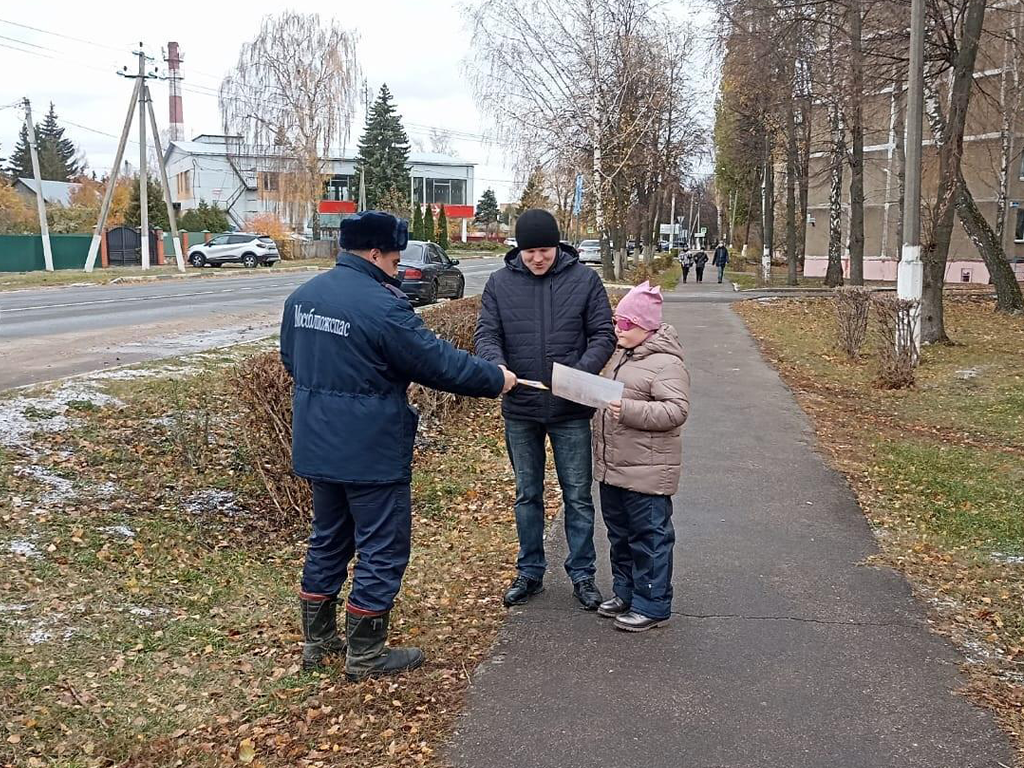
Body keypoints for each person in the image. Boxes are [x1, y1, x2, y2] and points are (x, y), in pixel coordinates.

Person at [281, 210, 517, 681]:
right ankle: (366, 655)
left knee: (328, 538)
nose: (396, 265)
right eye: (393, 256)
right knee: (382, 547)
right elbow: (437, 362)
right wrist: (496, 378)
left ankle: (318, 642)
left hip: (318, 443)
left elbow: (292, 360)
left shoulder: (302, 298)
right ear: (374, 252)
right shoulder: (382, 305)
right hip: (370, 449)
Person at [475, 209, 616, 611]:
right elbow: (487, 333)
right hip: (521, 408)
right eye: (530, 251)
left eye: (545, 250)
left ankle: (583, 575)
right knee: (527, 495)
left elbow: (603, 334)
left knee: (578, 496)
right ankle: (530, 572)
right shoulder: (499, 284)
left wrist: (577, 375)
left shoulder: (584, 280)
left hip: (571, 410)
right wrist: (496, 366)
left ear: (558, 246)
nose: (538, 258)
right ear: (518, 249)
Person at [592, 281, 690, 632]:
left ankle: (652, 603)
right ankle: (626, 592)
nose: (619, 329)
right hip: (614, 468)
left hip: (648, 473)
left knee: (649, 538)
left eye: (626, 324)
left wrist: (628, 410)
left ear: (646, 326)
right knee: (619, 535)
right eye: (617, 321)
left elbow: (676, 410)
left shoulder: (666, 364)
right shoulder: (622, 355)